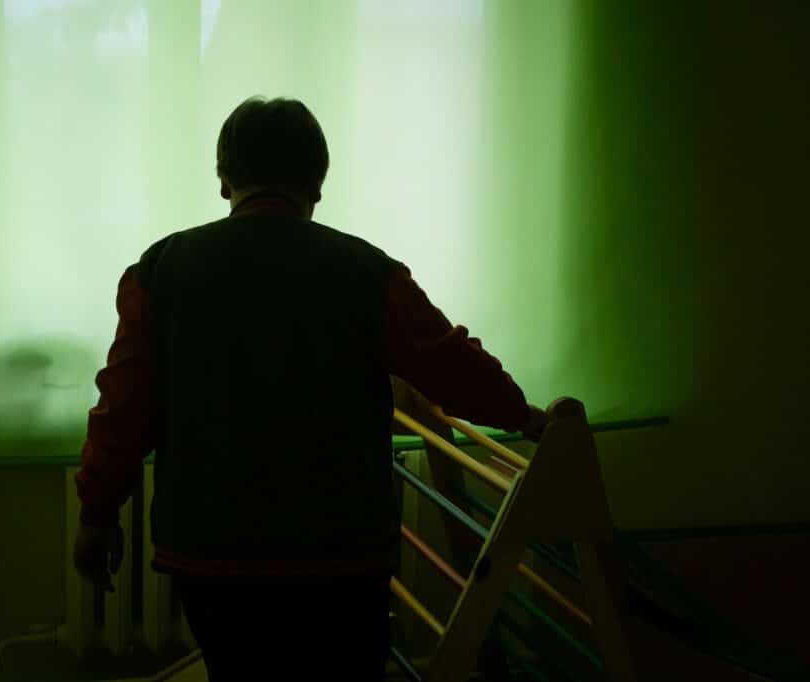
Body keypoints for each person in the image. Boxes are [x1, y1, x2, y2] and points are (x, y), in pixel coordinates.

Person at [73, 96, 546, 681]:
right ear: (317, 185)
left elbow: (123, 410)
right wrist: (522, 414)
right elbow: (452, 366)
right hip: (340, 556)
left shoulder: (159, 271)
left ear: (224, 182)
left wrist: (96, 512)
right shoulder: (370, 273)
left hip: (211, 553)